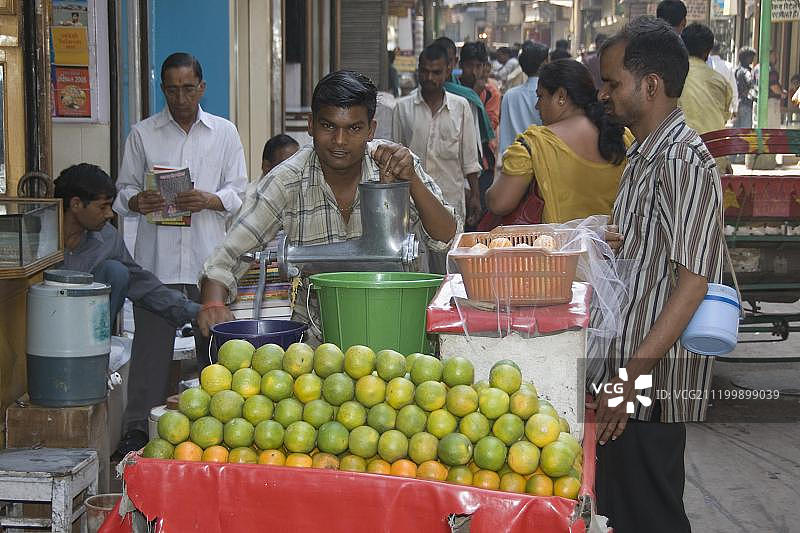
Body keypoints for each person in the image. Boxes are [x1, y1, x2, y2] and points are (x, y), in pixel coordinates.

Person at [198, 70, 458, 341]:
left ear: (371, 129)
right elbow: (227, 256)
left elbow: (447, 236)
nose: (340, 141)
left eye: (354, 128)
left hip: (397, 329)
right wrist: (213, 302)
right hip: (316, 342)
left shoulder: (395, 165)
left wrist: (411, 180)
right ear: (311, 125)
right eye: (328, 126)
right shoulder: (287, 181)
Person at [594, 16, 724, 532]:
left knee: (652, 515)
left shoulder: (684, 160)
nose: (604, 95)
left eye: (612, 83)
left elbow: (693, 283)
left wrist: (629, 380)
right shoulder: (645, 155)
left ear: (649, 86)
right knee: (621, 511)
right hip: (628, 372)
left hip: (652, 384)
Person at [114, 52, 247, 373]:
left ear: (201, 87)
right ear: (162, 89)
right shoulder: (142, 134)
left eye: (188, 88)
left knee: (215, 357)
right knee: (150, 357)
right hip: (157, 265)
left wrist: (209, 200)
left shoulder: (224, 132)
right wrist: (137, 201)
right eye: (172, 90)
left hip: (209, 264)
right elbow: (122, 192)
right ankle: (140, 423)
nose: (181, 97)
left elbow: (240, 193)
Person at [54, 163, 200, 456]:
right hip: (43, 329)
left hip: (84, 334)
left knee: (117, 272)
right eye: (104, 206)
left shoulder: (107, 238)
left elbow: (140, 282)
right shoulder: (41, 235)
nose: (110, 214)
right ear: (76, 204)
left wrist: (193, 311)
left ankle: (93, 358)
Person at [487, 59, 629, 224]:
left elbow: (499, 203)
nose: (537, 106)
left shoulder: (534, 144)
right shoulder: (622, 136)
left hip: (560, 247)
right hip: (611, 247)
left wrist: (488, 194)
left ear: (561, 96)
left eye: (541, 96)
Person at [392, 44, 480, 271]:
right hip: (410, 209)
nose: (429, 77)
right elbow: (393, 156)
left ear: (448, 70)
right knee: (415, 268)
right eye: (424, 71)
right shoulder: (402, 108)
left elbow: (469, 159)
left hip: (450, 205)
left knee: (450, 271)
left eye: (436, 72)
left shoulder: (461, 107)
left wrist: (476, 197)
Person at [678, 23, 732, 134]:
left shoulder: (673, 77)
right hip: (714, 146)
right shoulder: (721, 82)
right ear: (708, 52)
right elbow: (725, 117)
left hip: (681, 145)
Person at [498, 42, 549, 157]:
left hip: (514, 161)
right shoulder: (551, 94)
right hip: (543, 160)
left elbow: (504, 136)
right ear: (544, 63)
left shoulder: (509, 95)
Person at [707, 43, 738, 117]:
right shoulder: (728, 66)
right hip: (723, 107)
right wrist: (735, 108)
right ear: (719, 50)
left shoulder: (704, 65)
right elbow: (733, 88)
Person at [734, 47, 757, 129]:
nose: (752, 59)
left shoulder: (736, 70)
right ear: (745, 57)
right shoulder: (746, 71)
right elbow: (751, 83)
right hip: (746, 104)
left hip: (737, 103)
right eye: (751, 57)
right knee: (745, 131)